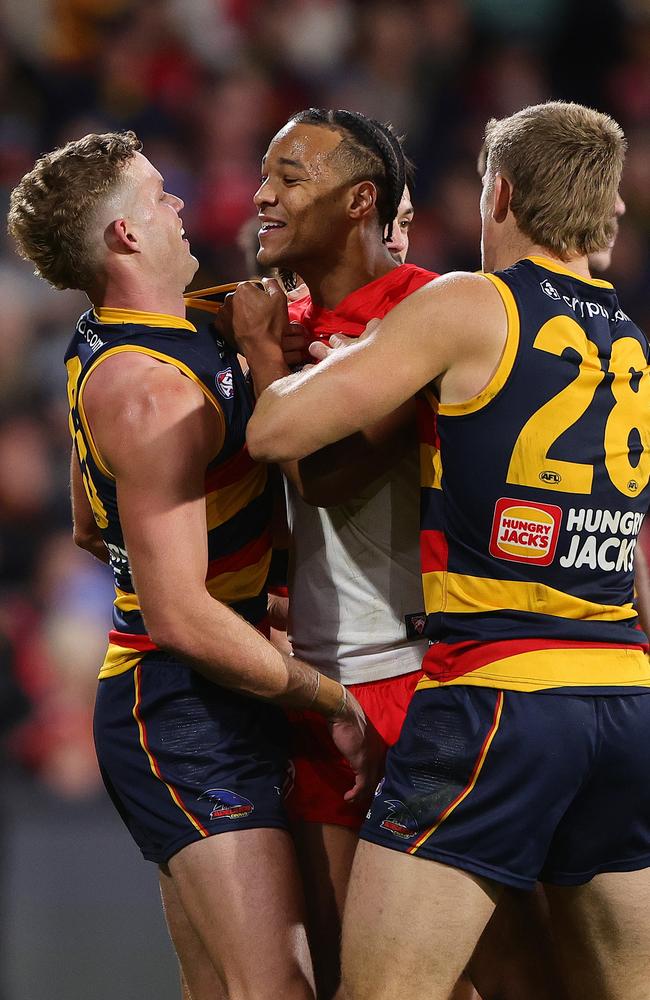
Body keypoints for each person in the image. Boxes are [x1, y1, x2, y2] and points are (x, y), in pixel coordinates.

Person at [244, 101, 650, 1000]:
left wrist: (267, 356)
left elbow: (277, 436)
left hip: (497, 696)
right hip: (623, 697)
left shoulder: (468, 302)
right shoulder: (629, 341)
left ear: (498, 193)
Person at [7, 130, 383, 1000]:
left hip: (213, 680)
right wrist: (331, 696)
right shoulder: (147, 389)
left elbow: (85, 525)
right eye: (160, 194)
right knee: (275, 991)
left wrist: (251, 593)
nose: (180, 206)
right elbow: (175, 612)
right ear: (126, 237)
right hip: (179, 709)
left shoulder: (132, 334)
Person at [228, 107, 439, 1000]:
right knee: (347, 969)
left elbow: (328, 478)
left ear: (362, 201)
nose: (262, 194)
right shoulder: (291, 315)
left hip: (416, 678)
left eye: (290, 175)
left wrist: (262, 362)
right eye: (263, 172)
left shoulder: (426, 311)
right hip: (319, 679)